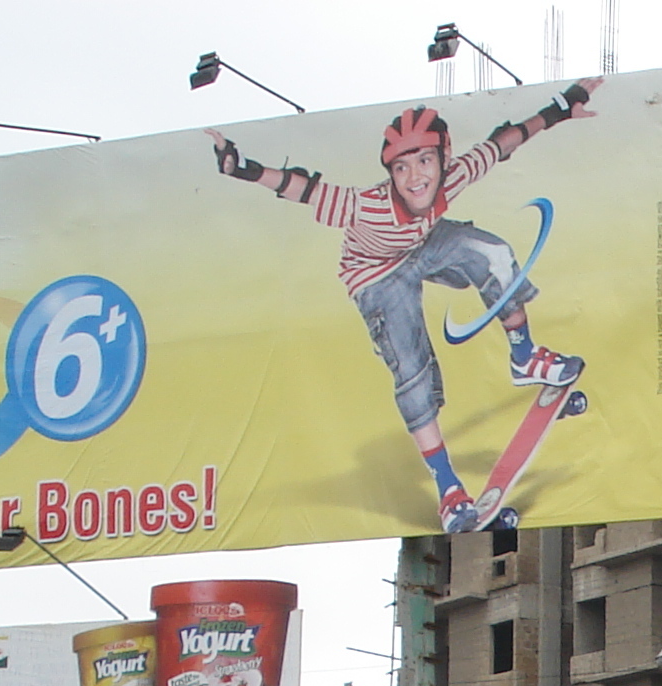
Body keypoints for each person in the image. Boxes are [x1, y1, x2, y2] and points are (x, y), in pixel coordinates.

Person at [207, 86, 603, 533]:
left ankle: (524, 356)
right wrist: (242, 169)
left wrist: (561, 108)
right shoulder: (367, 208)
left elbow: (503, 142)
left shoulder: (454, 176)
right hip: (374, 275)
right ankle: (450, 489)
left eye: (424, 163)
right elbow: (305, 189)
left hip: (421, 246)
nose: (415, 178)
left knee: (491, 253)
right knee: (412, 366)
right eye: (401, 168)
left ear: (443, 158)